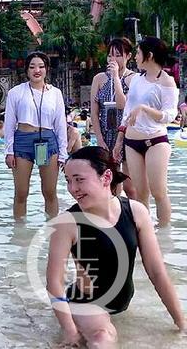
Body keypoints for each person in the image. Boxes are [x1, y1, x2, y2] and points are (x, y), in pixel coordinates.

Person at [46, 146, 185, 347]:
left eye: (79, 179)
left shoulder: (136, 212)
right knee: (102, 338)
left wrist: (181, 322)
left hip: (121, 303)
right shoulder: (67, 223)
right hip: (85, 302)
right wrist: (70, 332)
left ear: (106, 177)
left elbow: (156, 272)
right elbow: (54, 283)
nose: (72, 188)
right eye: (68, 180)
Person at [116, 37, 179, 227]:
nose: (135, 56)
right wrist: (120, 140)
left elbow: (170, 115)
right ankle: (143, 231)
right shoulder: (137, 79)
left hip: (155, 141)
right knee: (140, 192)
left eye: (138, 52)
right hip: (132, 141)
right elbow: (128, 110)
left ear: (149, 56)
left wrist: (144, 108)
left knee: (158, 191)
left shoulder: (166, 82)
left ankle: (164, 235)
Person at [4, 51, 67, 218]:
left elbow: (60, 124)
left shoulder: (55, 93)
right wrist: (9, 151)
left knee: (49, 191)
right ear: (26, 70)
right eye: (32, 67)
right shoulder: (15, 93)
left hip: (47, 141)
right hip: (23, 141)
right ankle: (19, 235)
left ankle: (52, 231)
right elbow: (9, 124)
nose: (36, 70)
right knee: (21, 192)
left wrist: (63, 153)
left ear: (46, 69)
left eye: (41, 66)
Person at [91, 38, 137, 199]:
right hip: (106, 133)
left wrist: (116, 77)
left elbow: (121, 105)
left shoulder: (134, 79)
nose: (113, 59)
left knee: (131, 187)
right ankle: (113, 218)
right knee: (111, 184)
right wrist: (99, 138)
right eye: (110, 55)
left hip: (127, 133)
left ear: (128, 56)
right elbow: (94, 112)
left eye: (118, 55)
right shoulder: (99, 79)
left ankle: (135, 216)